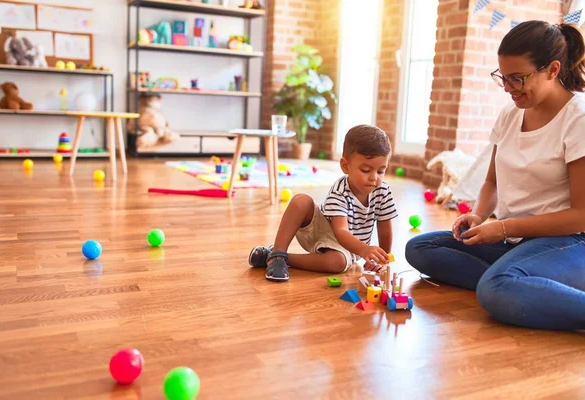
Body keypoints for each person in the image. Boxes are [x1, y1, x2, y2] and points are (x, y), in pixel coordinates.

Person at [405, 21, 585, 331]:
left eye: (517, 78)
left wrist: (502, 228)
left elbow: (580, 217)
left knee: (495, 288)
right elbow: (492, 181)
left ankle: (514, 283)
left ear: (553, 70)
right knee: (421, 249)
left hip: (567, 244)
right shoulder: (510, 115)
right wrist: (477, 216)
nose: (507, 88)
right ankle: (526, 284)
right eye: (503, 77)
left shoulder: (578, 119)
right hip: (516, 241)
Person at [249, 124, 398, 282]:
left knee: (337, 263)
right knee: (301, 200)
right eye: (366, 170)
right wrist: (364, 249)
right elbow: (341, 231)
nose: (374, 178)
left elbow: (385, 230)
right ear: (345, 166)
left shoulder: (383, 192)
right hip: (323, 231)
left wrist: (382, 260)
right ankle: (278, 253)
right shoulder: (340, 191)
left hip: (347, 250)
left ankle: (275, 257)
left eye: (381, 171)